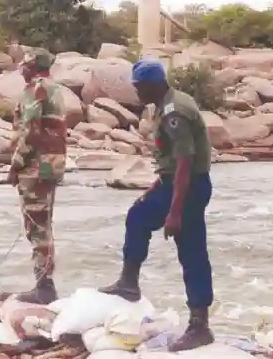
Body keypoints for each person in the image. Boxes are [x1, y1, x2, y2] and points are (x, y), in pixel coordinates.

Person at [98, 59, 215, 352]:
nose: (137, 93)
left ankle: (200, 325)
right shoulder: (166, 104)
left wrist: (174, 212)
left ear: (153, 84)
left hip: (187, 187)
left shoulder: (175, 113)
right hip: (173, 182)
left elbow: (186, 164)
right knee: (138, 216)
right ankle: (129, 282)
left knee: (191, 251)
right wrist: (156, 186)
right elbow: (171, 162)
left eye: (139, 88)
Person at [8, 50, 68, 305]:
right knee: (44, 224)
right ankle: (45, 283)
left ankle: (44, 286)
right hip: (51, 164)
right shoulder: (55, 89)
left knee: (37, 226)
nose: (21, 69)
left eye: (24, 65)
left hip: (36, 165)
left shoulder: (36, 89)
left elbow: (31, 132)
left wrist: (15, 165)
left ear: (32, 67)